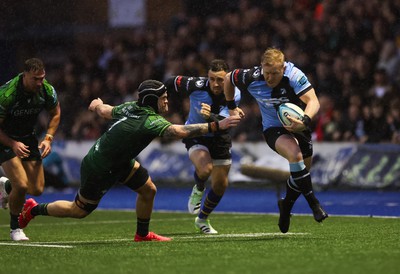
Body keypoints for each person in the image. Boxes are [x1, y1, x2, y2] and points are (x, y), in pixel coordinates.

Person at [18, 80, 241, 242]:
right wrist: (215, 126)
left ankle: (141, 235)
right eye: (163, 98)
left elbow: (106, 111)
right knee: (79, 210)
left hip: (118, 160)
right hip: (100, 167)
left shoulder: (131, 107)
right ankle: (33, 209)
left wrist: (96, 105)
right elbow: (178, 131)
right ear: (153, 101)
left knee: (148, 190)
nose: (167, 101)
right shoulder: (150, 120)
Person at [224, 48, 328, 233]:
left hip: (298, 123)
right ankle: (315, 204)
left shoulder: (294, 75)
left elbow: (313, 101)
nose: (270, 78)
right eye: (267, 73)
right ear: (262, 67)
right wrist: (231, 107)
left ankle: (286, 206)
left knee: (302, 171)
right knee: (295, 156)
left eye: (275, 73)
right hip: (273, 129)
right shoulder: (251, 76)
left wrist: (304, 121)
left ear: (283, 68)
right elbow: (228, 79)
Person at [165, 59, 243, 234]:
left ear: (228, 78)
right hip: (196, 133)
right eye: (212, 79)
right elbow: (170, 82)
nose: (215, 84)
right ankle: (199, 188)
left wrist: (211, 116)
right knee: (205, 168)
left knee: (221, 184)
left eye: (220, 80)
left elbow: (226, 122)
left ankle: (202, 219)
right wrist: (162, 102)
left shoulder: (234, 93)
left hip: (219, 137)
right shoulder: (195, 85)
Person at [0, 58, 61, 241]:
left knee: (37, 189)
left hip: (28, 138)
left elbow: (56, 113)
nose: (39, 82)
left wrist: (48, 138)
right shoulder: (7, 94)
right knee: (22, 185)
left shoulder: (46, 90)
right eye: (35, 79)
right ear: (24, 75)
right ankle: (15, 228)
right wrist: (12, 144)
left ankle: (5, 186)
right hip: (5, 140)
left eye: (42, 78)